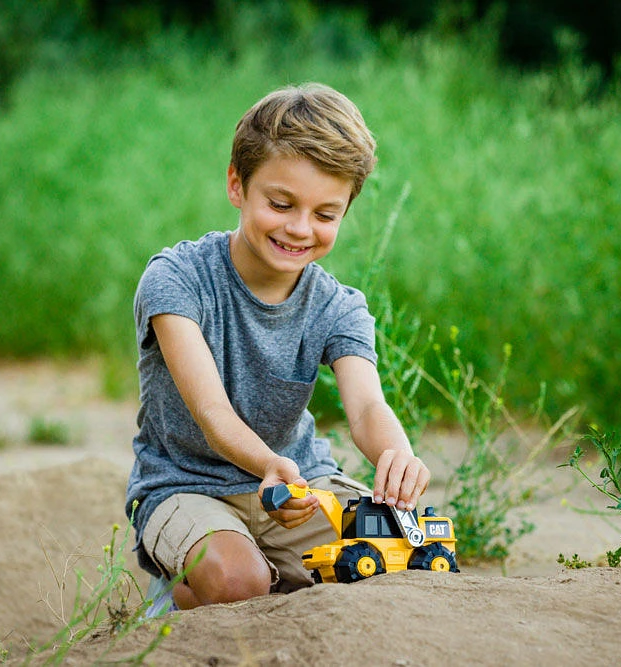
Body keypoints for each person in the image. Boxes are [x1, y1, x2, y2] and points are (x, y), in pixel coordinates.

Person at [125, 82, 429, 612]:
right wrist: (268, 463)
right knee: (238, 580)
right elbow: (212, 413)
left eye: (325, 214)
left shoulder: (339, 306)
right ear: (237, 185)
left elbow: (366, 407)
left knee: (406, 558)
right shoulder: (176, 280)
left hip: (300, 485)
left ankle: (285, 581)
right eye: (281, 203)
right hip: (187, 487)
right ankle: (175, 596)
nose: (299, 228)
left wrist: (395, 455)